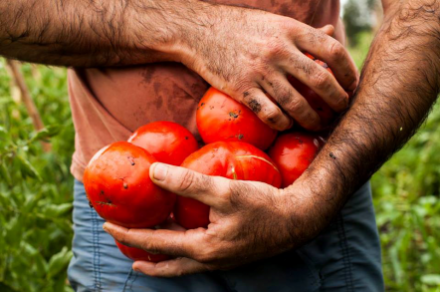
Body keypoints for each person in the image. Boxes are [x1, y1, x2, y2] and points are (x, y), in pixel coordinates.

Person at [1, 0, 438, 291]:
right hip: (134, 228)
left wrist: (324, 188)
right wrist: (197, 31)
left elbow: (425, 11)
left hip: (320, 191)